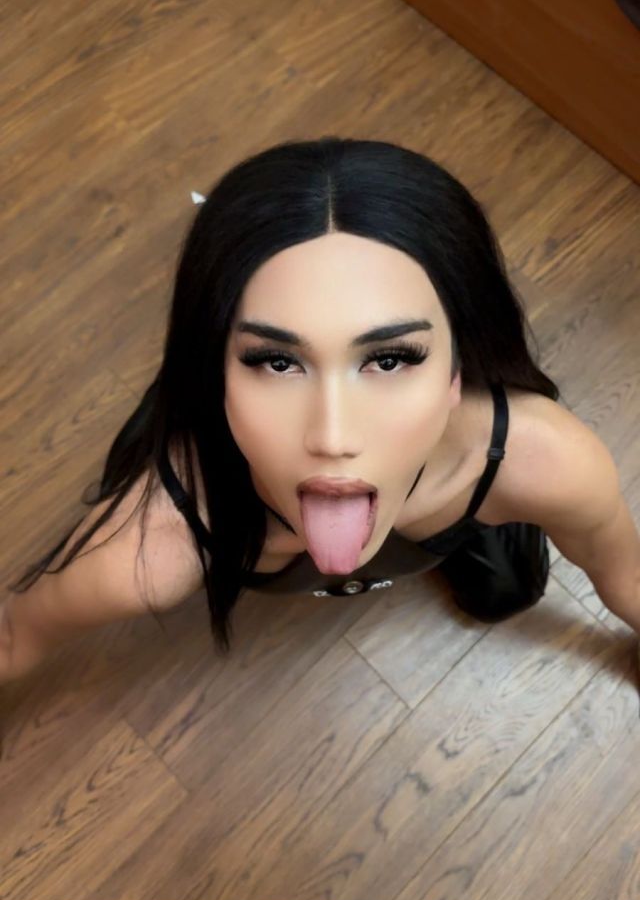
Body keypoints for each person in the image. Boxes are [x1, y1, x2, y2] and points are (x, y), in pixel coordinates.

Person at [2, 137, 639, 682]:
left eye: (389, 358)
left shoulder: (544, 462)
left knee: (508, 591)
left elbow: (628, 573)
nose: (333, 437)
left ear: (457, 368)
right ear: (217, 369)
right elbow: (16, 634)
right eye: (277, 362)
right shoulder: (145, 552)